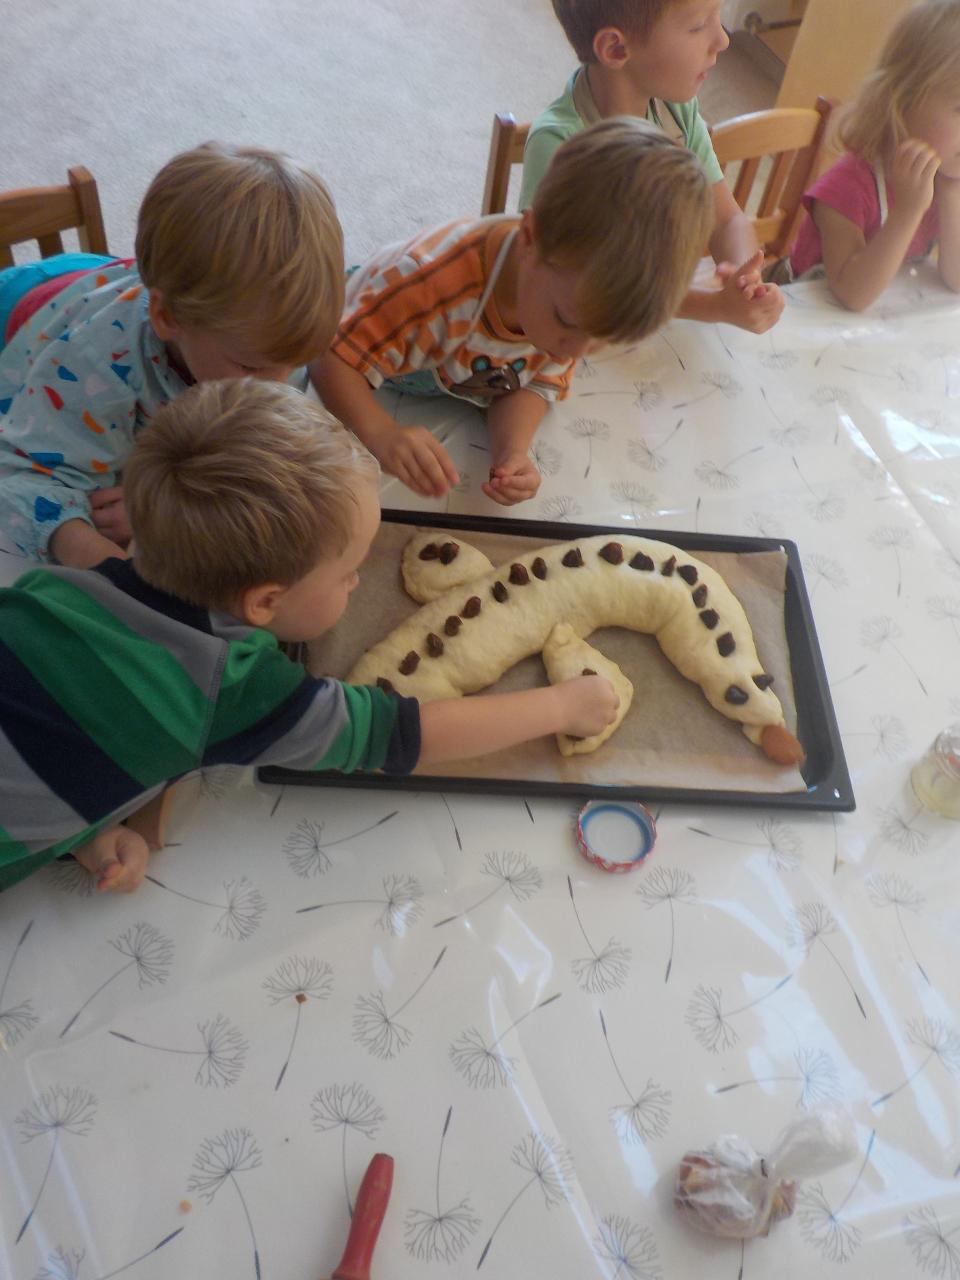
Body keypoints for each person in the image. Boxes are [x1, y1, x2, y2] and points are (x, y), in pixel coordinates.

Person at [0, 379, 619, 894]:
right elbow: (409, 734)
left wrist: (84, 826)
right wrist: (562, 706)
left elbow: (50, 736)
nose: (358, 582)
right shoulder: (231, 688)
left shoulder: (50, 590)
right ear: (265, 602)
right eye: (348, 573)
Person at [311, 117, 713, 507]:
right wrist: (380, 432)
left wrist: (512, 450)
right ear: (529, 237)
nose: (575, 351)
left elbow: (528, 382)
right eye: (566, 322)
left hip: (447, 371)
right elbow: (329, 354)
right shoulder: (427, 282)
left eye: (602, 340)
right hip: (365, 349)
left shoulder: (569, 308)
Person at [0, 142, 344, 568]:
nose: (277, 388)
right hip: (21, 322)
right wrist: (108, 566)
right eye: (251, 367)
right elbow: (19, 483)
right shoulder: (95, 365)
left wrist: (160, 500)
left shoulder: (254, 338)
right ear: (167, 317)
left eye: (294, 362)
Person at [519, 0, 785, 335]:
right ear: (616, 49)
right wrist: (715, 307)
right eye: (698, 25)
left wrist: (746, 281)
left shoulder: (676, 111)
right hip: (582, 334)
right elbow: (577, 285)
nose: (723, 39)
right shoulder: (559, 143)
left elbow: (727, 220)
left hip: (658, 322)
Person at [788, 0, 960, 310]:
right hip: (800, 313)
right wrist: (907, 212)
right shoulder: (848, 186)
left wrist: (950, 194)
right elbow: (852, 294)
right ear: (902, 100)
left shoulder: (944, 178)